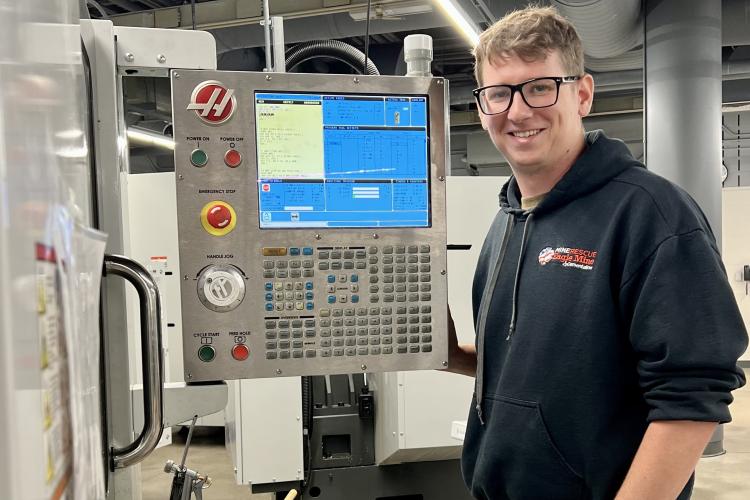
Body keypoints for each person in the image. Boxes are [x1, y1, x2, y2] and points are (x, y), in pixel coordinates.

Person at [446, 6, 748, 500]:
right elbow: (550, 365)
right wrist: (452, 356)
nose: (517, 111)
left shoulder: (652, 214)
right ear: (481, 109)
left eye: (539, 87)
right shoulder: (508, 220)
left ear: (582, 93)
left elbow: (693, 395)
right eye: (498, 93)